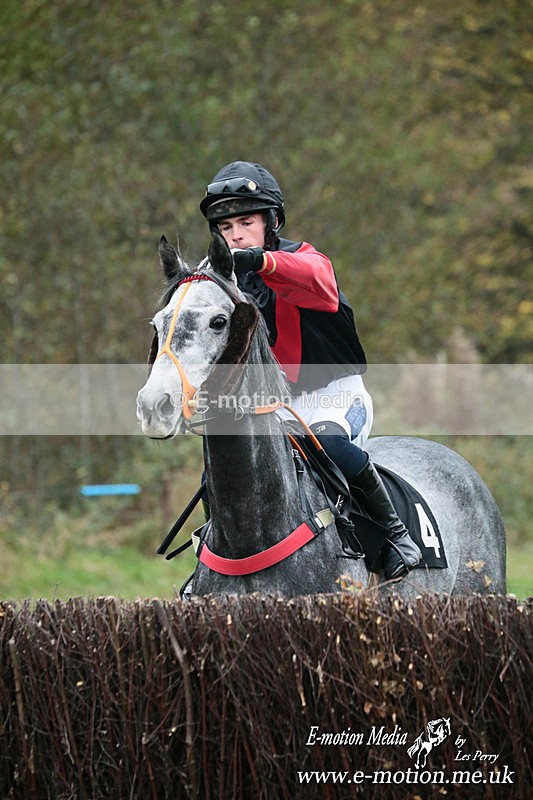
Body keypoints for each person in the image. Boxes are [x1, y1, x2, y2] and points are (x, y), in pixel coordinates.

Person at [199, 160, 421, 580]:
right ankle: (214, 565)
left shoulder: (303, 260)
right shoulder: (225, 282)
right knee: (219, 468)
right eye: (226, 228)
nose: (236, 235)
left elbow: (317, 278)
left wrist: (259, 261)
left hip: (334, 396)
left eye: (246, 222)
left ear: (271, 223)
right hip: (274, 405)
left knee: (325, 444)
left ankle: (394, 536)